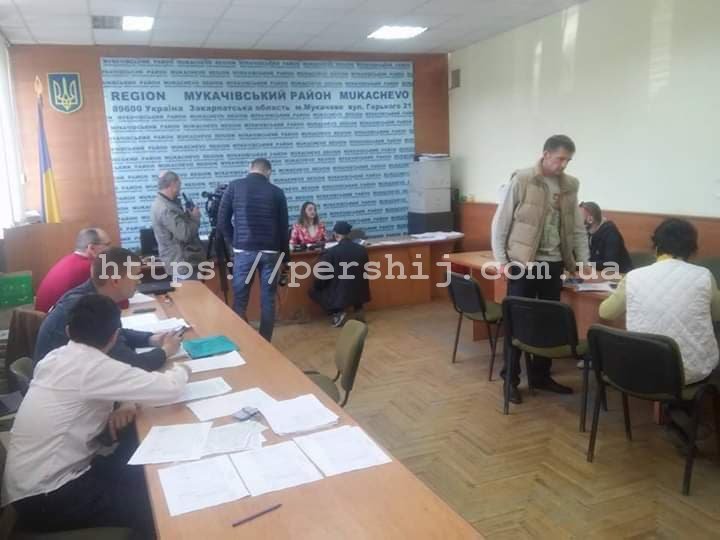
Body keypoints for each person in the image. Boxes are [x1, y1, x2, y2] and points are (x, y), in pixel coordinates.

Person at [3, 294, 190, 536]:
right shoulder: (95, 367)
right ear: (114, 336)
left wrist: (126, 402)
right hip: (50, 495)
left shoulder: (54, 358)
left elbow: (102, 388)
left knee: (137, 467)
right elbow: (170, 388)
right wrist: (184, 368)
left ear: (68, 331)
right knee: (156, 501)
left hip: (30, 485)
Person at [491, 135, 590, 404]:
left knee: (548, 322)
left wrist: (583, 262)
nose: (564, 165)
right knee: (517, 321)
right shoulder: (523, 179)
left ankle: (541, 376)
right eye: (560, 159)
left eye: (568, 160)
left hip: (554, 263)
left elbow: (577, 228)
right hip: (522, 264)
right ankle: (510, 380)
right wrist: (503, 262)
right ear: (545, 154)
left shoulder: (570, 185)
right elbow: (501, 223)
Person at [599, 218, 720, 385]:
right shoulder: (704, 276)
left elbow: (605, 312)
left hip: (640, 368)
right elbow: (717, 315)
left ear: (656, 246)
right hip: (693, 371)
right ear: (692, 249)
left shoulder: (633, 277)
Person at [34, 247, 182, 370]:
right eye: (135, 275)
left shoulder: (92, 297)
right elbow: (130, 365)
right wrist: (166, 351)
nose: (139, 281)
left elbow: (115, 333)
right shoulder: (88, 309)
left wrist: (150, 339)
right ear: (116, 281)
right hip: (65, 387)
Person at [217, 158, 289, 342]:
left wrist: (234, 242)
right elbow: (283, 228)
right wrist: (285, 259)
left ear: (250, 168)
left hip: (244, 251)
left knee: (240, 299)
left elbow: (222, 221)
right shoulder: (277, 192)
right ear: (269, 172)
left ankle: (239, 341)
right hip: (271, 253)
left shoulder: (234, 187)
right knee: (268, 299)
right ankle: (265, 342)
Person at [34, 227, 111, 312]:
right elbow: (117, 300)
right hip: (60, 319)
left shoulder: (67, 260)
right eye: (107, 245)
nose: (110, 249)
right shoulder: (91, 267)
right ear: (91, 248)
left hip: (45, 318)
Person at [310, 221, 370, 327]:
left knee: (314, 291)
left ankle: (337, 313)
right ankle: (358, 309)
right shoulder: (362, 249)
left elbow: (322, 276)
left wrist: (318, 286)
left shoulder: (331, 252)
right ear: (349, 234)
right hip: (361, 292)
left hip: (341, 294)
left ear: (336, 235)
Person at [150, 170, 205, 280]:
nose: (180, 188)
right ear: (173, 184)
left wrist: (188, 216)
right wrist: (195, 218)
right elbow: (185, 234)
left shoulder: (166, 204)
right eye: (179, 184)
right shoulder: (166, 208)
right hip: (182, 263)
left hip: (181, 261)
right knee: (191, 291)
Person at [579, 201, 632, 274]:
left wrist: (583, 264)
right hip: (598, 274)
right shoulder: (586, 232)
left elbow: (610, 264)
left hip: (620, 276)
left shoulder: (611, 234)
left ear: (590, 219)